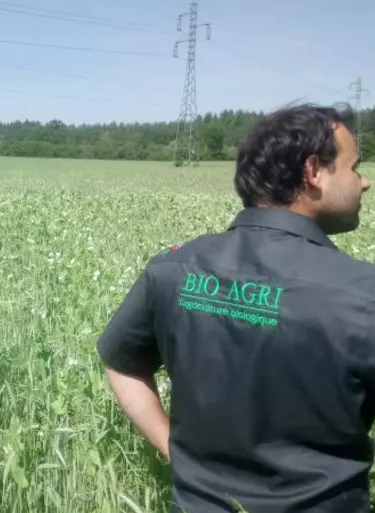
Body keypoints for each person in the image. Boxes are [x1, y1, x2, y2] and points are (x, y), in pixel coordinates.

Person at [97, 102, 373, 512]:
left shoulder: (174, 268)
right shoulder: (362, 294)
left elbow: (120, 362)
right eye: (354, 167)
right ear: (314, 171)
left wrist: (174, 448)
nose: (364, 183)